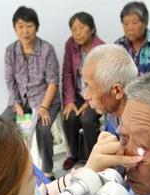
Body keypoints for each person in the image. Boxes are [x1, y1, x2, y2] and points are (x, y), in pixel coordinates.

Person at [2, 6, 61, 180]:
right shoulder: (10, 51)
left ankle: (48, 171)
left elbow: (53, 82)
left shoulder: (47, 49)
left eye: (29, 26)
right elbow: (9, 81)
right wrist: (18, 107)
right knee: (2, 124)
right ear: (15, 29)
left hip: (46, 101)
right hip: (20, 102)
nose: (25, 31)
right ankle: (17, 169)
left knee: (43, 129)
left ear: (36, 27)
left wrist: (43, 107)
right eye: (20, 26)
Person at [61, 12, 104, 170]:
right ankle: (73, 154)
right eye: (73, 29)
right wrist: (70, 101)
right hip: (77, 94)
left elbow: (101, 80)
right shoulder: (70, 44)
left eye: (81, 28)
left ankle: (93, 158)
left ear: (92, 29)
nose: (77, 33)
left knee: (87, 119)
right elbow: (67, 74)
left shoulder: (101, 48)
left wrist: (89, 102)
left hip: (96, 95)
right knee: (69, 116)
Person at [82, 44, 138, 135]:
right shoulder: (113, 113)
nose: (86, 96)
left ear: (117, 91)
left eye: (90, 87)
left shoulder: (143, 130)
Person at [115, 1, 150, 75]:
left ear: (145, 22)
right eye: (126, 24)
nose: (130, 28)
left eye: (134, 23)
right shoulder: (118, 45)